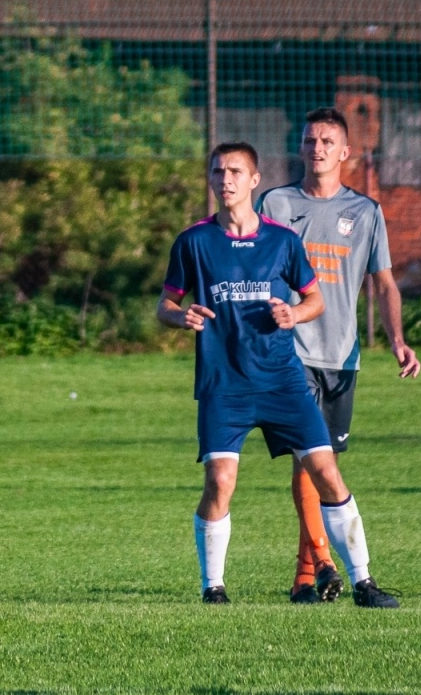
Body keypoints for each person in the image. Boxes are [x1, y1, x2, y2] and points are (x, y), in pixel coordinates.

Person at [157, 142, 398, 607]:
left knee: (327, 471)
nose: (224, 179)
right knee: (220, 481)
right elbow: (164, 305)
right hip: (223, 383)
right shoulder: (193, 241)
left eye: (234, 171)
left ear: (254, 180)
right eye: (217, 171)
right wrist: (179, 315)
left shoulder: (282, 241)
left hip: (282, 380)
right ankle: (214, 588)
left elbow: (315, 300)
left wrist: (294, 314)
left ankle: (364, 582)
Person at [260, 107, 419, 604]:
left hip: (342, 356)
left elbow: (384, 283)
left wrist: (396, 340)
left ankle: (305, 581)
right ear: (301, 148)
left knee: (318, 462)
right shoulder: (277, 203)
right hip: (290, 353)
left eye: (328, 141)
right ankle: (331, 564)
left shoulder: (366, 213)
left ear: (345, 152)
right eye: (310, 141)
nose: (318, 148)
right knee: (311, 460)